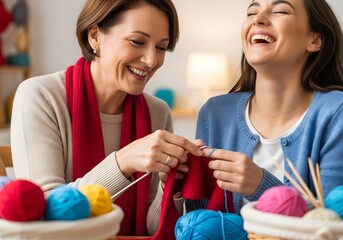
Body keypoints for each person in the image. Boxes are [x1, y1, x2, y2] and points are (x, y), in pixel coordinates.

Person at [10, 0, 203, 236]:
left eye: (161, 47)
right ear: (95, 37)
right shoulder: (40, 96)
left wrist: (169, 187)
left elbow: (150, 229)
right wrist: (123, 162)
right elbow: (45, 213)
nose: (152, 61)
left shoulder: (158, 112)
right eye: (137, 41)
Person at [186, 0, 343, 214]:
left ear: (315, 40)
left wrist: (260, 185)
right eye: (252, 12)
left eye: (280, 10)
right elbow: (201, 220)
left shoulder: (336, 113)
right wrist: (178, 188)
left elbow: (332, 222)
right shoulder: (214, 114)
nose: (257, 19)